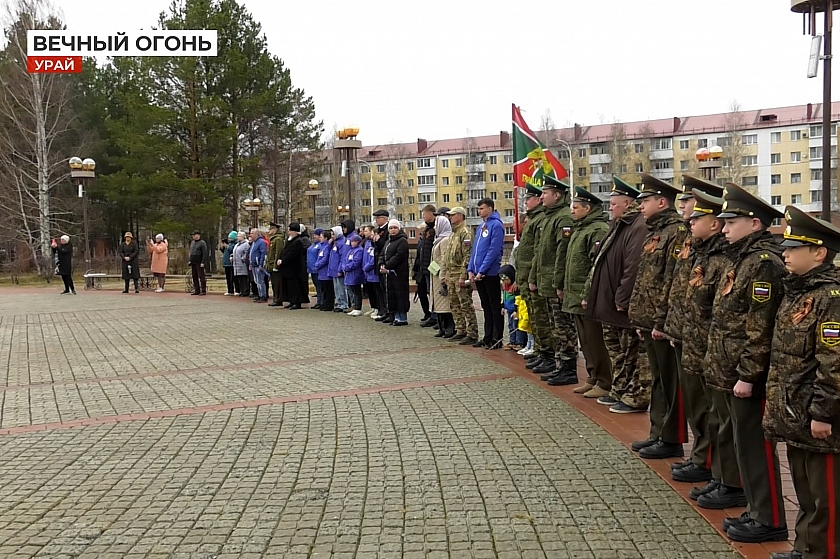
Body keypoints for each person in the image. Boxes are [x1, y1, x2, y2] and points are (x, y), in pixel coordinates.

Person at [701, 182, 787, 543]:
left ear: (754, 224)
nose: (724, 228)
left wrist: (749, 374)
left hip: (746, 373)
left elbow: (761, 325)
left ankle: (769, 518)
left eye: (731, 222)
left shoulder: (763, 264)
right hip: (729, 368)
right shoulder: (743, 258)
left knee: (755, 445)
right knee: (741, 441)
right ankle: (755, 510)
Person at [764, 205, 840, 559]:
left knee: (826, 496)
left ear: (820, 252)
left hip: (819, 417)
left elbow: (834, 362)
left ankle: (822, 552)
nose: (786, 253)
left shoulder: (830, 299)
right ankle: (806, 547)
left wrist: (823, 412)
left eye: (794, 248)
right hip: (795, 412)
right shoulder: (798, 291)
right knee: (806, 490)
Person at [676, 190, 741, 503]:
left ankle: (718, 470)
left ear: (714, 224)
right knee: (703, 410)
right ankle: (711, 468)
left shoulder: (723, 261)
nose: (689, 221)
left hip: (714, 352)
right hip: (698, 346)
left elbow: (721, 314)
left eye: (697, 217)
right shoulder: (702, 254)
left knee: (719, 417)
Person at [663, 176, 724, 485]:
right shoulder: (695, 246)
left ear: (715, 221)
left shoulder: (721, 254)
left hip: (705, 344)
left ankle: (707, 460)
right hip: (688, 336)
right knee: (697, 405)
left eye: (693, 208)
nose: (685, 210)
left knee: (708, 408)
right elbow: (681, 290)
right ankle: (700, 457)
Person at [628, 173, 689, 459]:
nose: (641, 205)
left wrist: (661, 321)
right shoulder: (655, 231)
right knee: (658, 380)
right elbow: (646, 279)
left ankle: (671, 437)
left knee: (669, 381)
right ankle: (658, 432)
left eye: (646, 200)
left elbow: (672, 280)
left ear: (662, 202)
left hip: (661, 322)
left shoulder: (676, 232)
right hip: (650, 319)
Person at [585, 177, 649, 413]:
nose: (610, 207)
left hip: (620, 303)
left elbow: (633, 266)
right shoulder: (618, 224)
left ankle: (635, 394)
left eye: (614, 203)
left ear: (628, 202)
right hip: (608, 301)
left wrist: (622, 297)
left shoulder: (638, 226)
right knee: (617, 351)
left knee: (629, 351)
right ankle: (620, 389)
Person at [529, 177, 578, 384]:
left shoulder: (563, 217)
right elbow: (539, 252)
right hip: (546, 281)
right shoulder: (550, 217)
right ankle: (557, 363)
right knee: (553, 325)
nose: (541, 197)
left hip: (554, 283)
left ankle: (568, 368)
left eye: (545, 193)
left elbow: (562, 253)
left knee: (563, 328)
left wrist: (558, 283)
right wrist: (534, 277)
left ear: (556, 195)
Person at [564, 187, 610, 396]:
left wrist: (586, 293)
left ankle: (604, 381)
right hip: (575, 293)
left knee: (595, 339)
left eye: (575, 207)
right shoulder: (581, 228)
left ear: (587, 208)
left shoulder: (597, 229)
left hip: (586, 294)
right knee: (585, 340)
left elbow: (595, 265)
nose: (572, 211)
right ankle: (592, 376)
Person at [468, 197, 505, 349]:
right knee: (486, 306)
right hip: (478, 274)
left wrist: (482, 270)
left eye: (482, 208)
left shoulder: (496, 225)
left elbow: (493, 250)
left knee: (494, 306)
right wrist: (470, 269)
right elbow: (475, 251)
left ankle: (497, 338)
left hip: (490, 273)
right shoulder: (481, 226)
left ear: (490, 208)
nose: (479, 211)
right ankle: (487, 336)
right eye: (478, 209)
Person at [443, 207, 479, 344]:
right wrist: (446, 273)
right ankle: (460, 329)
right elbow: (448, 256)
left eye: (452, 215)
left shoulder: (465, 233)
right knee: (454, 304)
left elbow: (467, 256)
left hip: (460, 274)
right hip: (451, 273)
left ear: (460, 216)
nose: (450, 217)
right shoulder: (453, 233)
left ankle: (472, 333)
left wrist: (463, 275)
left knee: (465, 304)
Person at [381, 219, 410, 325]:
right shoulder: (388, 242)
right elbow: (382, 254)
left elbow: (399, 256)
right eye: (391, 228)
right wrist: (382, 264)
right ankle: (396, 316)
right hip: (389, 273)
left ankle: (402, 317)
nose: (393, 230)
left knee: (400, 295)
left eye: (395, 228)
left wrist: (387, 265)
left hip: (399, 273)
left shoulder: (402, 241)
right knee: (392, 294)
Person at [430, 215, 454, 337]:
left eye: (436, 225)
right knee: (438, 304)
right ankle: (442, 327)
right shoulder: (438, 239)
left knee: (445, 303)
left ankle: (449, 327)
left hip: (441, 276)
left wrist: (443, 274)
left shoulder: (445, 240)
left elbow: (445, 259)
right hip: (435, 275)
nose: (434, 227)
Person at [415, 205, 437, 327]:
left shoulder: (434, 229)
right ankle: (432, 315)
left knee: (433, 292)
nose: (423, 217)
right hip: (425, 267)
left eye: (424, 214)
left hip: (432, 267)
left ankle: (436, 316)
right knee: (428, 291)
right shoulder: (428, 229)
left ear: (431, 214)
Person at [277, 223, 305, 309]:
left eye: (290, 230)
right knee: (289, 285)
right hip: (287, 268)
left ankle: (297, 302)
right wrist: (280, 258)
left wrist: (283, 260)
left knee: (295, 285)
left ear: (295, 231)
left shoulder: (298, 241)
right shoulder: (289, 240)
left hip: (294, 268)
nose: (288, 232)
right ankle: (291, 301)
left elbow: (292, 254)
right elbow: (285, 251)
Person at [500, 265, 525, 349]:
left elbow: (517, 299)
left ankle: (519, 342)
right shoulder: (505, 287)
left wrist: (516, 310)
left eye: (506, 280)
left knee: (516, 327)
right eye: (503, 280)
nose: (505, 282)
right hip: (509, 310)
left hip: (515, 310)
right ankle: (512, 341)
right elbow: (503, 297)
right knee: (510, 326)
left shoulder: (515, 287)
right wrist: (502, 306)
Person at [372, 210, 391, 322]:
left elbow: (385, 246)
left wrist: (378, 241)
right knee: (380, 289)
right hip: (378, 261)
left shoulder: (387, 230)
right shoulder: (378, 230)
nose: (376, 220)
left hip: (384, 261)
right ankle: (382, 310)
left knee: (385, 289)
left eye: (378, 218)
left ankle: (387, 311)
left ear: (384, 218)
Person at [343, 233, 365, 316]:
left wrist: (347, 267)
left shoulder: (359, 250)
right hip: (349, 274)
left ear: (358, 242)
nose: (352, 243)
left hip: (356, 273)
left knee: (357, 291)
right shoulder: (351, 250)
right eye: (351, 241)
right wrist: (344, 266)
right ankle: (355, 307)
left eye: (353, 241)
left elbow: (356, 262)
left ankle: (358, 308)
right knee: (353, 291)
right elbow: (346, 260)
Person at [362, 225, 381, 318]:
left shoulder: (373, 244)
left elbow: (373, 259)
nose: (364, 232)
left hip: (372, 272)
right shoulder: (367, 243)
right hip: (367, 273)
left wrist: (367, 267)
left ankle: (378, 308)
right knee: (370, 292)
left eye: (366, 231)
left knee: (376, 291)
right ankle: (373, 307)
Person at [315, 229, 335, 311]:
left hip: (325, 271)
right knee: (323, 289)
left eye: (321, 237)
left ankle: (329, 304)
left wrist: (318, 265)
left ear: (326, 238)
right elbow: (319, 257)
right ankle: (324, 303)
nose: (320, 238)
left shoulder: (327, 247)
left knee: (328, 289)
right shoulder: (322, 246)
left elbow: (325, 259)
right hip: (321, 272)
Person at [267, 222, 286, 307]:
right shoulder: (273, 239)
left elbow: (278, 253)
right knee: (274, 283)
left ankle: (278, 299)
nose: (269, 231)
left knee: (277, 283)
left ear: (275, 229)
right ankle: (276, 298)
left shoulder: (278, 239)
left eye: (271, 229)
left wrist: (276, 265)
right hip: (270, 264)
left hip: (275, 265)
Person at [249, 228, 268, 302]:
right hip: (253, 265)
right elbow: (251, 253)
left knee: (260, 281)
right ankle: (260, 295)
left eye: (252, 233)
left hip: (258, 265)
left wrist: (261, 264)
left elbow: (263, 254)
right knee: (257, 281)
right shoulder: (254, 242)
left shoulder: (261, 242)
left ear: (256, 234)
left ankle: (263, 295)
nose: (250, 235)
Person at [188, 230, 208, 296]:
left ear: (198, 235)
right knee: (194, 276)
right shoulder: (192, 243)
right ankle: (197, 290)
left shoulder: (202, 243)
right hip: (193, 261)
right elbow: (191, 252)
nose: (193, 236)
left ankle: (203, 290)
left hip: (199, 262)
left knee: (201, 276)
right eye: (192, 235)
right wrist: (190, 260)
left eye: (194, 235)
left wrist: (203, 262)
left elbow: (205, 253)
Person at [308, 228, 324, 309]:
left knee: (320, 286)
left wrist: (317, 266)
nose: (314, 236)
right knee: (316, 286)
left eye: (317, 235)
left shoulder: (321, 245)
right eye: (314, 235)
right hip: (311, 269)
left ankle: (322, 301)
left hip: (318, 269)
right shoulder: (313, 244)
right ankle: (319, 301)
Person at [232, 232, 250, 297]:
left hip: (243, 264)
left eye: (239, 236)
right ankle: (241, 291)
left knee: (244, 278)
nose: (238, 237)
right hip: (236, 264)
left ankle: (246, 291)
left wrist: (243, 259)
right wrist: (232, 256)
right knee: (239, 279)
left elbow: (246, 252)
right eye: (237, 236)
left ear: (243, 237)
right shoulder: (237, 244)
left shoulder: (246, 244)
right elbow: (235, 252)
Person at [219, 231, 236, 295]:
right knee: (228, 278)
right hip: (226, 263)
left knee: (232, 278)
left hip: (231, 263)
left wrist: (227, 247)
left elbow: (232, 250)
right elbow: (225, 252)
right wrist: (222, 247)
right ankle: (229, 290)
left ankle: (233, 289)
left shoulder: (234, 244)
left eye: (231, 237)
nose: (229, 239)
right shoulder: (229, 244)